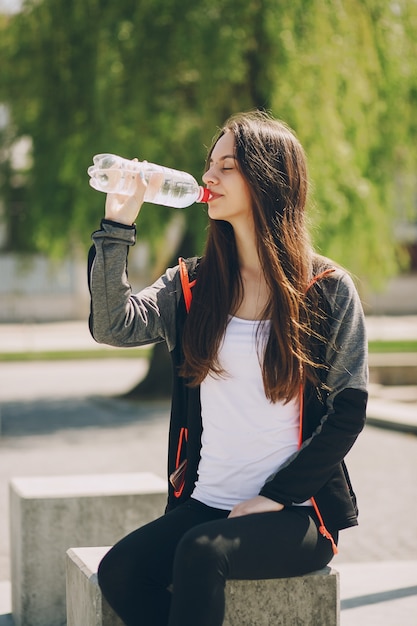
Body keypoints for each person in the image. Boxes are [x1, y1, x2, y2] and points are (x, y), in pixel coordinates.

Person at [88, 110, 368, 626]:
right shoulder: (193, 286)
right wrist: (118, 225)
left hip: (296, 514)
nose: (209, 178)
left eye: (229, 166)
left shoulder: (327, 288)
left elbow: (348, 412)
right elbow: (113, 326)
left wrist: (273, 497)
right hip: (205, 502)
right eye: (209, 164)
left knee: (202, 552)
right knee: (121, 570)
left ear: (268, 178)